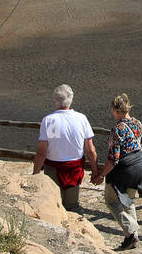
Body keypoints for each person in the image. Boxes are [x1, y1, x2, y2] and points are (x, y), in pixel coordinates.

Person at [92, 94, 142, 251]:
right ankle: (131, 236)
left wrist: (101, 175)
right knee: (129, 201)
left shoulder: (118, 129)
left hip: (123, 171)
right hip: (139, 167)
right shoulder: (138, 124)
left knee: (111, 200)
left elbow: (113, 158)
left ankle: (131, 230)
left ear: (116, 110)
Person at [31, 84, 95, 213]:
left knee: (54, 203)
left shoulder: (48, 120)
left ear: (55, 100)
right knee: (72, 205)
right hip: (74, 168)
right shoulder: (81, 119)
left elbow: (42, 152)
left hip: (53, 168)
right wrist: (95, 170)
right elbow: (90, 150)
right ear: (71, 99)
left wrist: (35, 174)